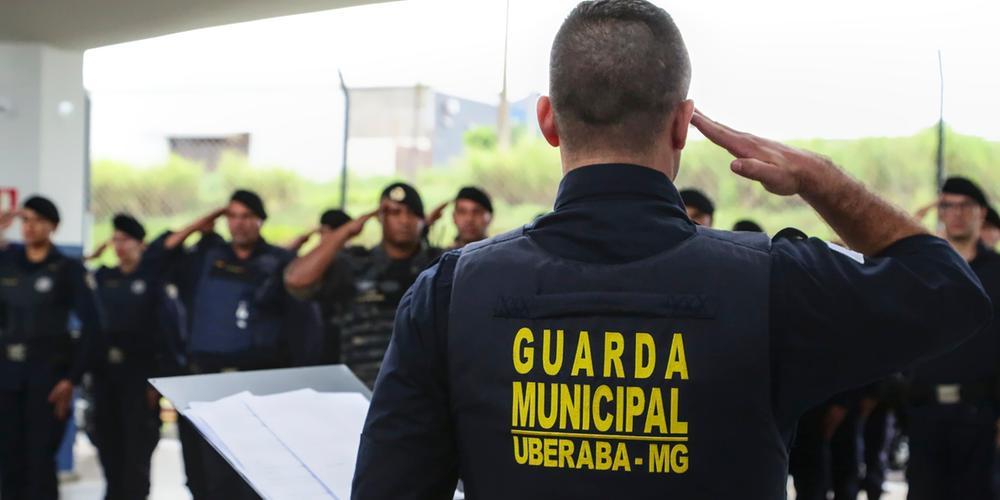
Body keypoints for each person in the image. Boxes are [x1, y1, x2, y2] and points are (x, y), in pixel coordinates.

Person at [350, 2, 991, 498]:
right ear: (684, 123)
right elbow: (948, 292)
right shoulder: (773, 285)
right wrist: (820, 177)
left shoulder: (450, 293)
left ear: (547, 120)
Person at [150, 189, 322, 499]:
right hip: (205, 382)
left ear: (260, 221)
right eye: (232, 216)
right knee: (205, 479)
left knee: (255, 477)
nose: (239, 224)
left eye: (246, 217)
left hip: (259, 385)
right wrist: (199, 224)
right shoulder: (205, 258)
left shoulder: (280, 262)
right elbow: (155, 258)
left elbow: (304, 329)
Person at [284, 182, 442, 386]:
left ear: (423, 220)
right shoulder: (354, 264)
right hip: (361, 390)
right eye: (395, 213)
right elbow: (296, 280)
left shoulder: (439, 266)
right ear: (380, 217)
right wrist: (347, 231)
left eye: (412, 213)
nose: (404, 220)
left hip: (424, 393)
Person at [0, 197, 103, 500]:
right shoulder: (8, 263)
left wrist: (72, 379)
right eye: (25, 220)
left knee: (39, 462)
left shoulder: (67, 269)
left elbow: (93, 327)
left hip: (47, 379)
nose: (29, 227)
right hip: (7, 377)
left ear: (53, 226)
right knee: (8, 461)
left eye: (38, 221)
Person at [904, 176, 1000, 500]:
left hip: (980, 413)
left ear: (981, 213)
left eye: (965, 206)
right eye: (947, 206)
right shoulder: (923, 267)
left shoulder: (996, 271)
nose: (956, 213)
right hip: (923, 412)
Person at [89, 214, 185, 500]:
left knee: (136, 456)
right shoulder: (103, 278)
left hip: (140, 378)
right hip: (106, 378)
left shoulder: (153, 281)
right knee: (108, 449)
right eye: (115, 239)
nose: (119, 246)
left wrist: (158, 384)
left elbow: (168, 336)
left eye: (126, 240)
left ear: (140, 244)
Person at [427, 187, 495, 249]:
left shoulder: (499, 256)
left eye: (477, 212)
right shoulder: (441, 258)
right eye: (462, 212)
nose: (469, 219)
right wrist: (426, 224)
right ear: (453, 217)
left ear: (490, 217)